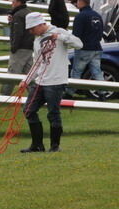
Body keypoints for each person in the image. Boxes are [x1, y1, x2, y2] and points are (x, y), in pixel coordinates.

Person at [20, 13, 82, 153]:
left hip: (56, 81)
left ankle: (55, 146)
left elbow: (79, 44)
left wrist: (60, 37)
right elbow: (37, 63)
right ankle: (37, 145)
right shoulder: (37, 40)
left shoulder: (59, 31)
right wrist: (26, 80)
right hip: (40, 81)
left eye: (32, 28)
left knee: (53, 113)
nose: (30, 32)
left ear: (40, 24)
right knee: (28, 110)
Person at [69, 0, 105, 95]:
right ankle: (102, 93)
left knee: (76, 71)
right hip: (97, 48)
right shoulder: (97, 15)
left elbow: (76, 35)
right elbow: (101, 32)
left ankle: (70, 92)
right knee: (97, 72)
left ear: (81, 2)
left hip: (84, 48)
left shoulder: (80, 16)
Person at [2, 0, 35, 96]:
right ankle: (34, 95)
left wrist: (14, 47)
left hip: (20, 47)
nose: (12, 4)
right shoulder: (28, 13)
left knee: (12, 72)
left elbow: (18, 33)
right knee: (29, 73)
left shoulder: (19, 15)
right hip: (30, 46)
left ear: (19, 2)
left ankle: (4, 95)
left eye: (13, 2)